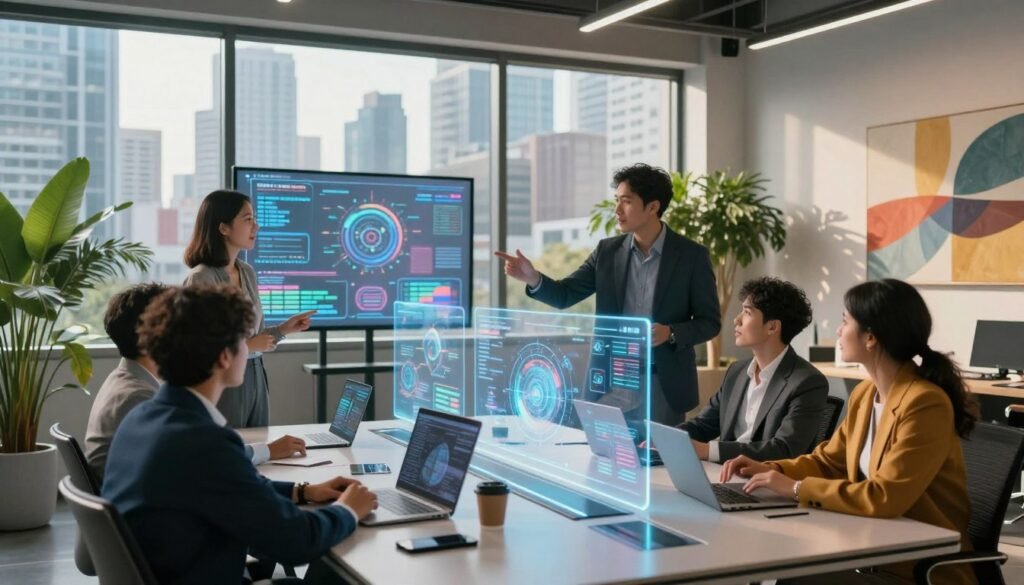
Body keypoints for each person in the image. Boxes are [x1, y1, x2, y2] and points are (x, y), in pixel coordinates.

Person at [102, 284, 377, 584]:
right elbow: (296, 542)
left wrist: (302, 491)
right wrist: (348, 510)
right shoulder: (205, 443)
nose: (248, 348)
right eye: (244, 340)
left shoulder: (141, 419)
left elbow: (231, 488)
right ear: (223, 356)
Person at [720, 279, 977, 585]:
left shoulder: (924, 402)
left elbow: (885, 497)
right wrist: (770, 468)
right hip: (873, 548)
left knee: (787, 577)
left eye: (844, 322)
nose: (838, 332)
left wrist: (796, 488)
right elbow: (829, 462)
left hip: (916, 568)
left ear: (871, 337)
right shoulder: (866, 394)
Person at [496, 163, 720, 425]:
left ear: (653, 207)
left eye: (626, 201)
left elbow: (710, 322)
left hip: (662, 385)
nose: (617, 210)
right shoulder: (607, 252)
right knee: (603, 460)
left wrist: (671, 332)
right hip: (613, 382)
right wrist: (532, 277)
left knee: (657, 462)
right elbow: (565, 294)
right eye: (617, 200)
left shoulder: (691, 256)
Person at [84, 283, 306, 483]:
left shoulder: (127, 381)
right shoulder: (140, 399)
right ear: (150, 335)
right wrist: (266, 452)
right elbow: (205, 465)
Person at [184, 189, 314, 428]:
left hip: (254, 373)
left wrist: (284, 329)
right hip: (222, 378)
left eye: (255, 219)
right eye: (248, 219)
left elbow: (258, 338)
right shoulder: (202, 278)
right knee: (231, 451)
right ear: (223, 228)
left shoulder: (247, 272)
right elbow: (198, 347)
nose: (256, 227)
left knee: (259, 450)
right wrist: (249, 346)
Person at [671, 277, 828, 462]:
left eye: (747, 313)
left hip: (765, 482)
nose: (736, 320)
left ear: (772, 326)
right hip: (723, 475)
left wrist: (708, 451)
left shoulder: (807, 382)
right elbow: (703, 425)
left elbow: (785, 448)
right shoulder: (736, 372)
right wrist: (667, 438)